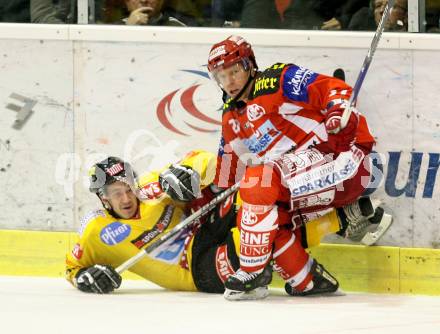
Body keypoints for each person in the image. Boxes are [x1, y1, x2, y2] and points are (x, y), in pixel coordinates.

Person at [207, 35, 388, 300]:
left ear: (250, 65)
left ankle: (252, 273)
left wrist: (338, 113)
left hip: (340, 158)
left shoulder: (276, 79)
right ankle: (307, 279)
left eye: (234, 71)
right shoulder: (230, 115)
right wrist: (210, 193)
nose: (229, 82)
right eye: (221, 77)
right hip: (301, 178)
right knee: (260, 219)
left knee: (258, 182)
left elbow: (333, 88)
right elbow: (228, 168)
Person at [65, 150, 383, 296]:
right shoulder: (97, 232)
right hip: (197, 272)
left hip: (203, 229)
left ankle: (339, 216)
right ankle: (341, 220)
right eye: (115, 193)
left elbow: (204, 159)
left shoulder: (150, 188)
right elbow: (72, 267)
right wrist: (83, 278)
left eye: (127, 187)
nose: (125, 197)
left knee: (256, 205)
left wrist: (187, 174)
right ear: (103, 198)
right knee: (256, 239)